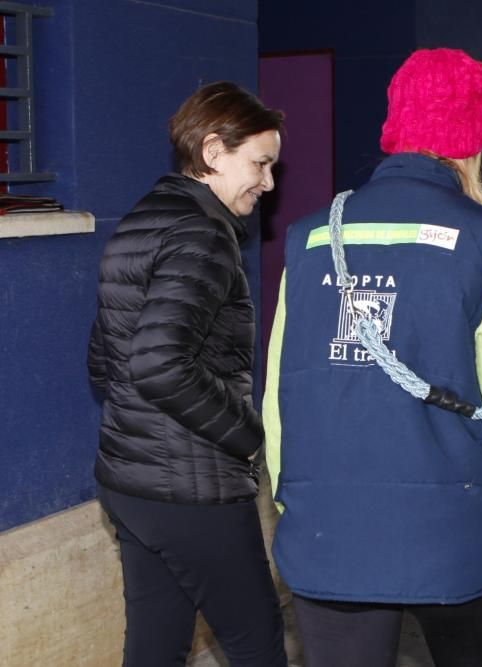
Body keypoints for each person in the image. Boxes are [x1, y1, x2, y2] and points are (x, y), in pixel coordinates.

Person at [264, 48, 482, 667]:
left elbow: (282, 395)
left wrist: (297, 501)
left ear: (395, 126)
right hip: (461, 536)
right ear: (473, 139)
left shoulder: (312, 237)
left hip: (329, 531)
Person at [87, 81, 287, 666]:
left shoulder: (140, 219)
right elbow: (157, 363)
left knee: (154, 645)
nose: (268, 183)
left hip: (128, 482)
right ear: (212, 151)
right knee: (257, 643)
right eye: (260, 163)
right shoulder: (203, 233)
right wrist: (249, 437)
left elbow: (105, 358)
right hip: (193, 491)